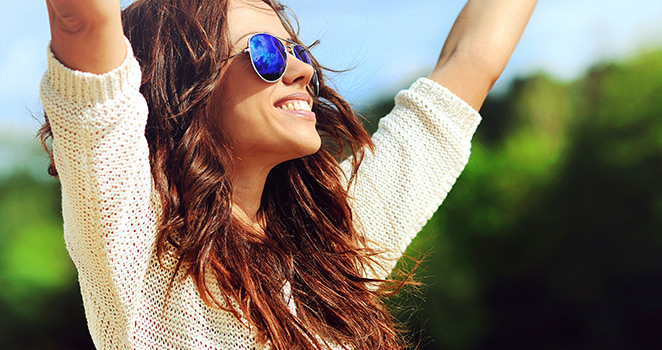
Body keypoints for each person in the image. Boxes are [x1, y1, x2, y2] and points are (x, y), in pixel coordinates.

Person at [39, 0, 537, 348]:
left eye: (298, 53)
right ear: (180, 82)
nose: (299, 72)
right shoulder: (132, 236)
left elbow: (470, 60)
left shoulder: (331, 243)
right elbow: (82, 20)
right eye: (265, 53)